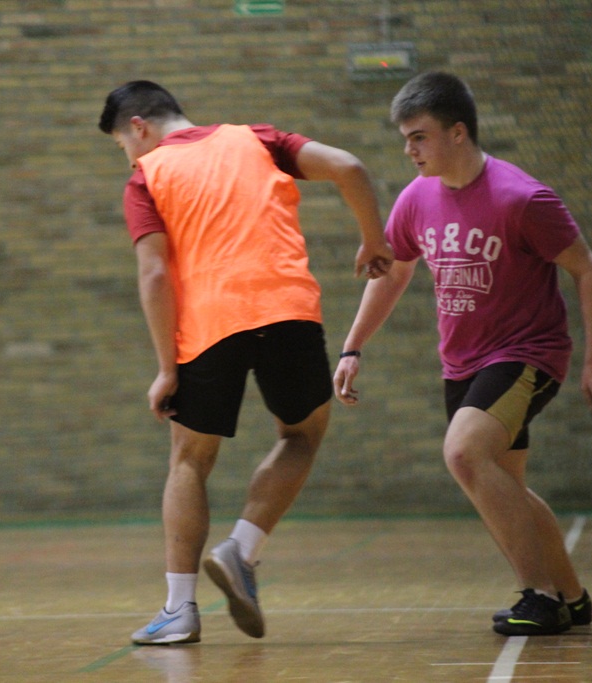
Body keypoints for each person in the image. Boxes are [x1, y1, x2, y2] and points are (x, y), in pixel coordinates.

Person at [97, 80, 394, 645]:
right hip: (289, 311)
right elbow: (350, 167)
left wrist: (166, 368)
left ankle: (179, 609)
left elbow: (155, 274)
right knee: (302, 435)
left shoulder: (147, 176)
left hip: (210, 324)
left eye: (121, 144)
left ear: (138, 126)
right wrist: (372, 239)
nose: (128, 156)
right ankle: (242, 548)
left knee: (189, 460)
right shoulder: (257, 138)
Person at [333, 71, 592, 636]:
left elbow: (587, 270)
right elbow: (393, 275)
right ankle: (573, 595)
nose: (408, 150)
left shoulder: (522, 198)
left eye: (419, 136)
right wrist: (352, 346)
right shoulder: (417, 199)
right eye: (405, 139)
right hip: (461, 362)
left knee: (463, 453)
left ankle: (538, 596)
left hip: (526, 355)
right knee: (503, 481)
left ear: (458, 133)